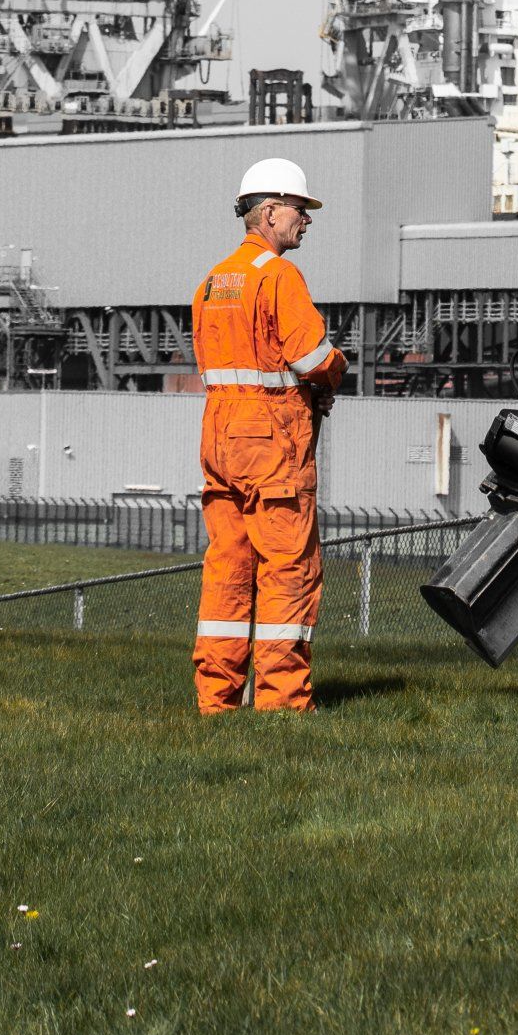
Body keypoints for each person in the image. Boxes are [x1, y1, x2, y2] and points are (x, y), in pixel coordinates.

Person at [191, 156, 347, 714]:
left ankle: (216, 700)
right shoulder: (278, 276)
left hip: (220, 440)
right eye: (300, 210)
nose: (306, 220)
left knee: (227, 569)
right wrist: (335, 369)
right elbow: (311, 356)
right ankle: (282, 705)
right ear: (271, 211)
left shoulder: (214, 281)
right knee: (288, 569)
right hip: (271, 444)